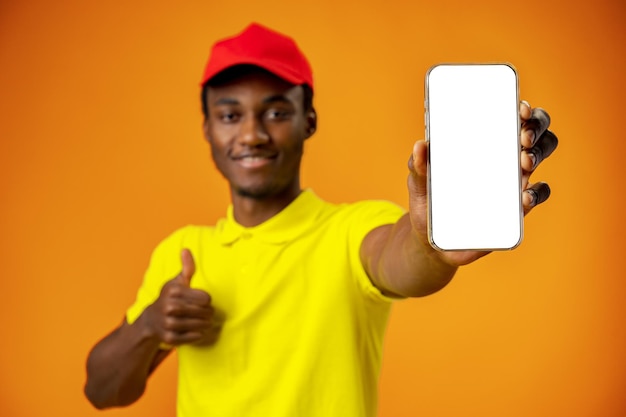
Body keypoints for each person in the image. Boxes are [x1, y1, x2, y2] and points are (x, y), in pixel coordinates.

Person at [84, 22, 558, 417]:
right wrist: (149, 326)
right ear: (207, 127)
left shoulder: (350, 230)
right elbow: (102, 392)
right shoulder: (183, 253)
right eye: (230, 115)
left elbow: (399, 257)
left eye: (275, 111)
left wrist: (428, 242)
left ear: (308, 119)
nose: (251, 133)